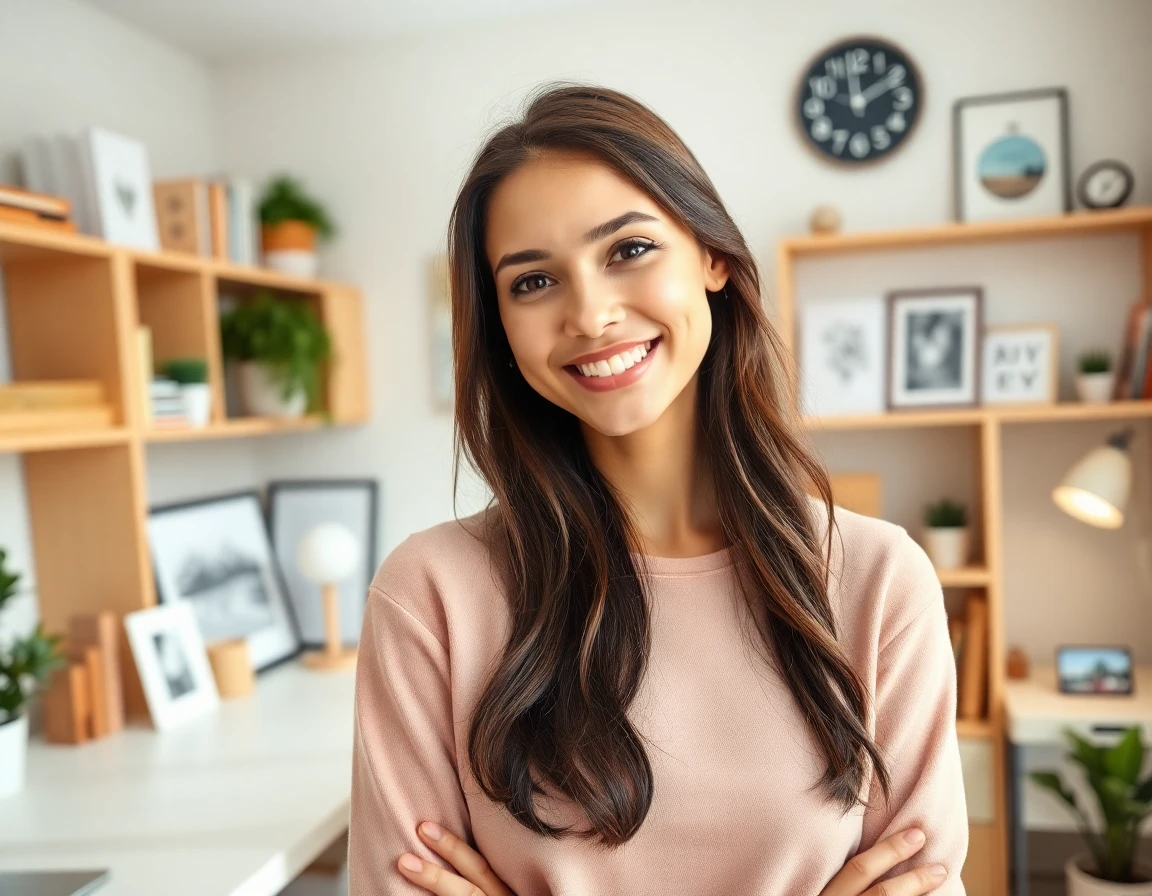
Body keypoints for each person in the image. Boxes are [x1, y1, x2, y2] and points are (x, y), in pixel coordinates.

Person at [348, 82, 968, 896]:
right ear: (499, 323)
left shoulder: (879, 581)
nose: (592, 314)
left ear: (712, 255)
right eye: (534, 282)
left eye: (628, 251)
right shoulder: (431, 595)